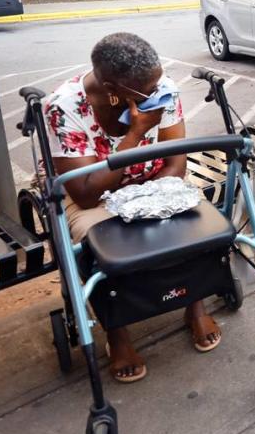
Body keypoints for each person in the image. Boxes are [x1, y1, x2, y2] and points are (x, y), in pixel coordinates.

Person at [43, 33, 221, 383]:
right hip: (92, 195)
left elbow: (175, 164)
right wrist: (135, 134)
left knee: (193, 224)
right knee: (104, 246)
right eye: (146, 89)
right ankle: (117, 332)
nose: (158, 92)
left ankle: (194, 304)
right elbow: (86, 195)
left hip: (155, 182)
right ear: (112, 87)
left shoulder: (160, 88)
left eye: (158, 82)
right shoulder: (64, 107)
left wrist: (156, 201)